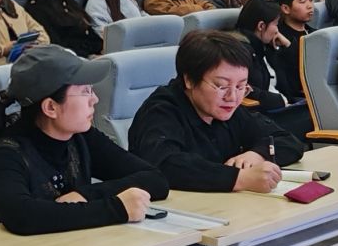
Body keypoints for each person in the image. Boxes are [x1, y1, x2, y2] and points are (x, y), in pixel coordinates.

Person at [0, 47, 166, 233]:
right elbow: (22, 216)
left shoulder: (81, 137)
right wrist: (116, 208)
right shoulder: (6, 154)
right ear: (51, 107)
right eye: (85, 91)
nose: (94, 99)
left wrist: (85, 195)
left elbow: (155, 179)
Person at [130, 30, 306, 192]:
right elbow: (166, 165)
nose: (232, 97)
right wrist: (240, 178)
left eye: (241, 86)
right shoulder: (161, 111)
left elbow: (287, 141)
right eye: (221, 86)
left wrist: (258, 154)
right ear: (189, 80)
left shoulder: (227, 109)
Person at [233, 0, 313, 136]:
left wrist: (286, 46)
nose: (277, 31)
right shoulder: (241, 51)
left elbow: (298, 74)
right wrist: (279, 100)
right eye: (276, 24)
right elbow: (245, 88)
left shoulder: (265, 46)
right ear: (261, 26)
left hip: (284, 104)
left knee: (319, 110)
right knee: (317, 117)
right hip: (264, 114)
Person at [271, 0, 316, 102]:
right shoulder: (278, 37)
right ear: (285, 8)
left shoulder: (316, 34)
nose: (310, 6)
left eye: (311, 0)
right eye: (302, 1)